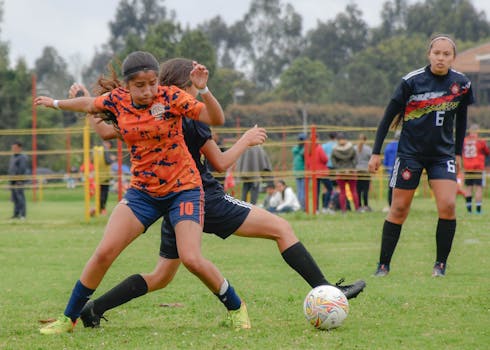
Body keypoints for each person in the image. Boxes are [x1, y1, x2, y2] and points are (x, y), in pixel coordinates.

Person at [75, 58, 365, 329]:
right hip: (203, 199)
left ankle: (94, 309)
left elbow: (105, 132)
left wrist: (86, 100)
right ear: (185, 87)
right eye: (193, 85)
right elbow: (221, 163)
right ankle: (327, 291)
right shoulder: (189, 116)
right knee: (281, 228)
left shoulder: (149, 113)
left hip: (171, 202)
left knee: (161, 276)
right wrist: (246, 140)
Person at [34, 51, 250, 334]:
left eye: (152, 83)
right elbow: (89, 104)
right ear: (127, 86)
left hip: (183, 189)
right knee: (104, 253)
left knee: (191, 259)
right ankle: (68, 319)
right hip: (143, 193)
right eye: (140, 85)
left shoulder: (171, 97)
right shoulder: (117, 101)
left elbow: (216, 118)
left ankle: (236, 307)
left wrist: (204, 89)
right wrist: (57, 103)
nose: (148, 90)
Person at [368, 35, 474, 278]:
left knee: (448, 206)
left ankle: (440, 266)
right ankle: (383, 266)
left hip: (442, 155)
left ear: (453, 58)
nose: (441, 57)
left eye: (446, 54)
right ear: (429, 54)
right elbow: (387, 119)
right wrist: (375, 152)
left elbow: (462, 120)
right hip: (410, 154)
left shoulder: (462, 84)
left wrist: (458, 153)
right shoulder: (411, 82)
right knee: (399, 209)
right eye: (437, 53)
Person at [462, 124, 490, 214]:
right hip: (478, 167)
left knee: (469, 188)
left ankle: (469, 210)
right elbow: (487, 152)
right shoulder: (480, 141)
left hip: (467, 168)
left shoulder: (464, 141)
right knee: (478, 188)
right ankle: (478, 210)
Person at [331, 132, 360, 213]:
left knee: (342, 192)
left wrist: (339, 168)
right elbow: (355, 159)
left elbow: (333, 161)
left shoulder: (335, 149)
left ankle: (343, 210)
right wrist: (351, 167)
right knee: (353, 190)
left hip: (340, 173)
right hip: (351, 172)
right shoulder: (351, 148)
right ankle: (357, 209)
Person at [8, 141, 28, 219]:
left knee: (20, 198)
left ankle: (22, 215)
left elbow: (22, 169)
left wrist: (19, 180)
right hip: (12, 180)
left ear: (20, 148)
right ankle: (16, 214)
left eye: (15, 148)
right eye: (12, 148)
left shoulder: (22, 157)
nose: (13, 149)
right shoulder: (13, 156)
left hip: (18, 181)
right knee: (15, 199)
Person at [308, 139, 330, 213]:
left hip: (314, 173)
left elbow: (307, 162)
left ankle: (316, 209)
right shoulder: (319, 148)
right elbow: (325, 159)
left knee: (316, 192)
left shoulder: (309, 149)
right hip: (322, 172)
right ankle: (325, 207)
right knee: (330, 188)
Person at [382, 130, 400, 210]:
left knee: (391, 188)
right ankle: (399, 205)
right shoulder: (402, 145)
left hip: (391, 170)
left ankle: (390, 205)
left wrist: (386, 167)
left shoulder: (388, 146)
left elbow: (385, 160)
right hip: (401, 170)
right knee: (401, 188)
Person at [355, 134, 373, 212]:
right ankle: (366, 205)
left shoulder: (354, 148)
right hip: (366, 171)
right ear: (365, 140)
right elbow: (371, 159)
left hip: (357, 171)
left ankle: (359, 205)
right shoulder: (369, 149)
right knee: (365, 189)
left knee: (358, 190)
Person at [96, 140, 113, 215]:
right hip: (105, 175)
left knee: (99, 193)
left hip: (97, 175)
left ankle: (99, 208)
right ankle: (102, 209)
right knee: (104, 193)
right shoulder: (105, 150)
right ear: (107, 143)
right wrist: (112, 159)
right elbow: (108, 161)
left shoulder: (97, 150)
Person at [321, 132, 337, 208]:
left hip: (326, 168)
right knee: (336, 187)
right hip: (335, 167)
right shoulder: (337, 145)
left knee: (325, 188)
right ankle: (334, 204)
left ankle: (324, 205)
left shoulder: (324, 146)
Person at [292, 133, 306, 210]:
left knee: (299, 191)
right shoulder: (304, 150)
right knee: (302, 191)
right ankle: (302, 207)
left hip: (296, 172)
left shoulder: (295, 149)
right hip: (303, 172)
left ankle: (300, 206)